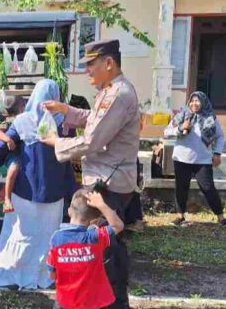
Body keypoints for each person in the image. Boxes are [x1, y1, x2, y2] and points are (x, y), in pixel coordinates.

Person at [41, 39, 140, 309]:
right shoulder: (111, 91)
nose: (87, 71)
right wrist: (67, 111)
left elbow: (91, 140)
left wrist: (55, 143)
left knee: (106, 252)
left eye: (90, 65)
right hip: (107, 180)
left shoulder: (118, 95)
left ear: (108, 63)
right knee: (104, 248)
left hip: (108, 184)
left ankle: (114, 303)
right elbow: (94, 118)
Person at [0, 79, 76, 290]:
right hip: (53, 190)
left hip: (24, 189)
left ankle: (9, 274)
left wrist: (12, 149)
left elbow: (3, 144)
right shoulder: (64, 123)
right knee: (47, 234)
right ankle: (44, 276)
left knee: (18, 233)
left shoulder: (22, 121)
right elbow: (70, 152)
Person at [48, 189, 125, 309]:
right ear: (95, 221)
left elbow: (52, 274)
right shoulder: (95, 237)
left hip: (65, 301)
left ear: (69, 211)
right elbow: (118, 225)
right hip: (93, 302)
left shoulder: (57, 239)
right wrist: (101, 205)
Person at [164, 91, 226, 227]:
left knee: (208, 188)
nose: (194, 103)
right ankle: (180, 216)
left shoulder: (210, 118)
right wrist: (180, 128)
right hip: (181, 158)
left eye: (197, 101)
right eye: (192, 101)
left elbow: (220, 136)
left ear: (203, 102)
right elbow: (166, 132)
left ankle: (221, 217)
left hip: (202, 160)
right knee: (181, 188)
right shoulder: (182, 115)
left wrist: (217, 153)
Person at [0, 94, 26, 213]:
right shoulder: (9, 121)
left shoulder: (25, 119)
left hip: (21, 152)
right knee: (14, 168)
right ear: (21, 108)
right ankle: (7, 199)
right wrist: (8, 139)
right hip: (13, 154)